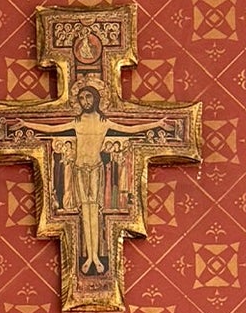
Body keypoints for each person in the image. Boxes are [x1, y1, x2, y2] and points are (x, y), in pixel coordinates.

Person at [12, 83, 170, 274]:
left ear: (96, 99)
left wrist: (156, 124)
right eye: (82, 99)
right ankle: (89, 256)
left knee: (93, 211)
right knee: (85, 211)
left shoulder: (104, 122)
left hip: (95, 169)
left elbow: (131, 128)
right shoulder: (76, 122)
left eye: (88, 97)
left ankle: (94, 256)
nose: (85, 101)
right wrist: (27, 124)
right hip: (79, 169)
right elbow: (50, 128)